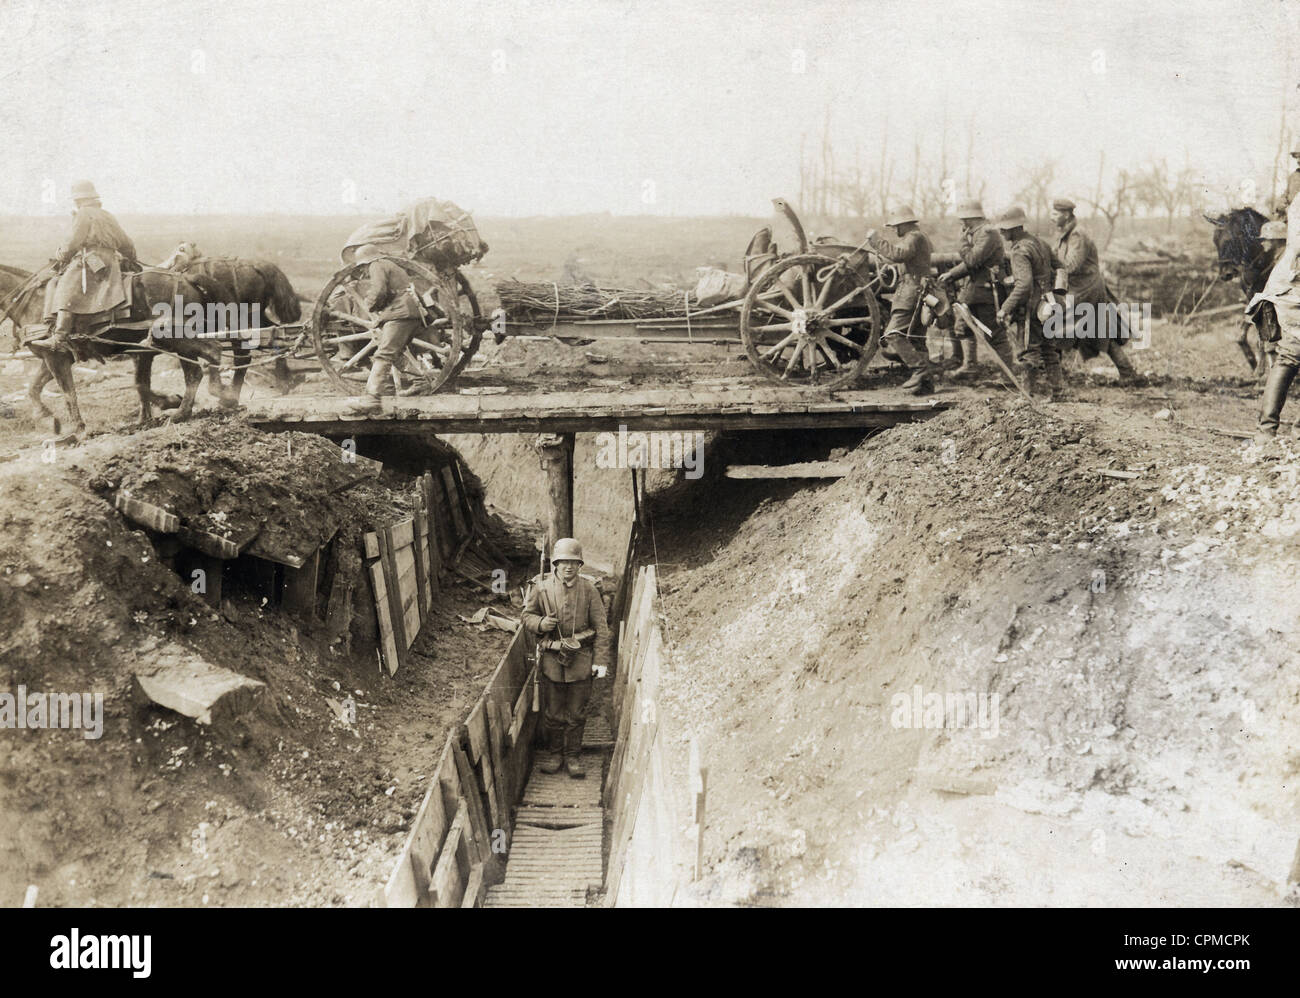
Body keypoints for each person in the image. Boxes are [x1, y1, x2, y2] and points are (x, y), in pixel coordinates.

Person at [521, 538, 611, 778]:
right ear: (556, 564)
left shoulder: (590, 590)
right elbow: (526, 616)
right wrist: (542, 623)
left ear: (579, 565)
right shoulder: (541, 588)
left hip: (581, 660)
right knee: (553, 714)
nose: (568, 567)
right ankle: (555, 755)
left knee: (577, 714)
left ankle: (572, 757)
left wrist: (600, 661)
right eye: (563, 562)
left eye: (573, 562)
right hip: (552, 661)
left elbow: (601, 627)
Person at [36, 180, 138, 351]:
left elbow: (73, 242)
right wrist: (132, 259)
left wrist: (61, 254)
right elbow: (126, 243)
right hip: (111, 262)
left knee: (65, 286)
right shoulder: (107, 215)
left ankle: (60, 337)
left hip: (91, 260)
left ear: (78, 199)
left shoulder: (82, 213)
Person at [1050, 197, 1138, 384]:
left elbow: (1071, 265)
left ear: (1066, 215)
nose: (1051, 217)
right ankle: (1128, 373)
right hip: (1082, 288)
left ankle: (1053, 375)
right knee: (1101, 329)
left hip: (1086, 290)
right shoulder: (1066, 234)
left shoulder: (1077, 235)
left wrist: (1047, 265)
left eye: (1055, 214)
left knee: (1054, 320)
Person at [936, 199, 1017, 378]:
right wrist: (952, 274)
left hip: (988, 291)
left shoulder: (988, 233)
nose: (962, 223)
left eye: (964, 219)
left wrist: (963, 242)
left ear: (971, 218)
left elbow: (972, 260)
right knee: (962, 327)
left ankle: (1008, 375)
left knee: (994, 332)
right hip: (974, 290)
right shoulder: (977, 233)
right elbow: (972, 264)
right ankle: (970, 365)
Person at [344, 243, 427, 412]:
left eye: (363, 267)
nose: (364, 271)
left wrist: (368, 306)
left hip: (401, 313)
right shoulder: (391, 265)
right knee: (393, 350)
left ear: (366, 262)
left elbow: (379, 290)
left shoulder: (377, 265)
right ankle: (420, 382)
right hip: (409, 312)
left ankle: (371, 399)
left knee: (384, 353)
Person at [866, 205, 938, 395]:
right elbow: (904, 260)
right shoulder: (916, 237)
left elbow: (899, 255)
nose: (894, 230)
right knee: (916, 338)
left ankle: (920, 370)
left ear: (904, 224)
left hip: (911, 291)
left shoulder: (914, 237)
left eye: (896, 226)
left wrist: (876, 241)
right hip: (918, 289)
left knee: (893, 333)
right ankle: (926, 385)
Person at [996, 206, 1063, 400]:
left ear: (1015, 228)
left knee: (1028, 350)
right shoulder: (1040, 243)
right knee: (1049, 348)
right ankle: (1058, 392)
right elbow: (1060, 267)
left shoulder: (1019, 250)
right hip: (1049, 303)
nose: (1001, 232)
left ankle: (1026, 396)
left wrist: (1005, 308)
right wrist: (1053, 292)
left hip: (1032, 307)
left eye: (1005, 228)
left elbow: (1024, 285)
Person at [1250, 207, 1300, 442]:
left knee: (1288, 358)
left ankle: (1266, 432)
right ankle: (1273, 431)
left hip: (1287, 282)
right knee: (1289, 357)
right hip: (1295, 281)